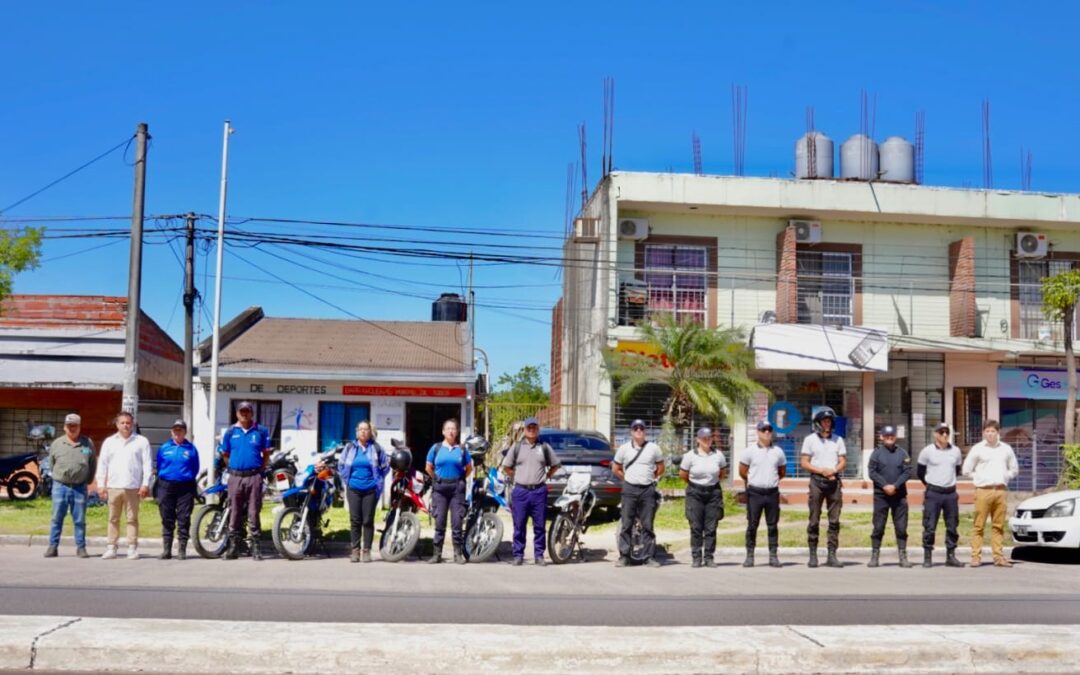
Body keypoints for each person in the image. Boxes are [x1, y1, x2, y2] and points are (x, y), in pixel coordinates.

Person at [501, 416, 561, 566]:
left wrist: (548, 475)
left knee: (539, 526)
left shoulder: (544, 447)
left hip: (539, 491)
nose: (532, 430)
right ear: (525, 430)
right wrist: (516, 476)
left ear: (538, 429)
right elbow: (506, 466)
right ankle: (518, 555)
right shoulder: (517, 447)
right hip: (520, 492)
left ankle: (539, 555)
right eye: (529, 427)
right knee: (519, 525)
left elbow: (556, 464)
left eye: (534, 427)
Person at [219, 401, 272, 560]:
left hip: (254, 477)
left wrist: (259, 471)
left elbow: (266, 454)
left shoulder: (261, 431)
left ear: (252, 413)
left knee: (253, 512)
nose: (244, 414)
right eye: (241, 411)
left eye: (247, 411)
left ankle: (256, 548)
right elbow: (225, 454)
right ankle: (233, 548)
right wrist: (233, 468)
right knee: (234, 512)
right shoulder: (230, 432)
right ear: (237, 414)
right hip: (235, 478)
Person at [95, 411, 152, 560]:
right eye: (122, 423)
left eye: (128, 423)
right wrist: (101, 484)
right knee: (113, 518)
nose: (125, 425)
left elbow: (147, 464)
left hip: (133, 487)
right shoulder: (109, 442)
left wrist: (145, 484)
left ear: (132, 424)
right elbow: (102, 464)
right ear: (117, 424)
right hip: (113, 486)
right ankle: (111, 547)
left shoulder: (141, 441)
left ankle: (132, 548)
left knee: (132, 519)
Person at [963, 420, 1019, 567]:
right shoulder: (977, 449)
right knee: (979, 525)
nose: (990, 434)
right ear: (983, 432)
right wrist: (979, 478)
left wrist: (1005, 476)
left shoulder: (1006, 449)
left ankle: (998, 557)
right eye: (987, 431)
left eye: (993, 431)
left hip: (1000, 491)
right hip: (983, 491)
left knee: (998, 526)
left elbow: (1014, 469)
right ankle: (975, 557)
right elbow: (966, 470)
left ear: (997, 432)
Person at [612, 419, 666, 568]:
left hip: (647, 490)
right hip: (629, 489)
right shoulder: (623, 448)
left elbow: (661, 467)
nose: (639, 431)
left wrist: (653, 477)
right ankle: (624, 556)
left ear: (645, 431)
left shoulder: (654, 448)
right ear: (631, 431)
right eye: (635, 428)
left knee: (647, 524)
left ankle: (649, 557)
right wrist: (627, 478)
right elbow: (615, 468)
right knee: (626, 524)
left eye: (641, 428)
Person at [44, 413, 96, 558]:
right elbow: (51, 463)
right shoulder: (57, 444)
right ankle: (52, 547)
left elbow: (92, 463)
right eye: (69, 426)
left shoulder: (87, 444)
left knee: (79, 520)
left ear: (79, 427)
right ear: (64, 427)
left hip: (80, 487)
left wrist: (88, 481)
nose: (72, 428)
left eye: (75, 426)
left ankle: (81, 547)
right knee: (56, 518)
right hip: (60, 486)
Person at [800, 407, 846, 568]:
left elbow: (843, 461)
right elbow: (804, 462)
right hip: (817, 482)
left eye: (829, 421)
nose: (827, 424)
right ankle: (813, 555)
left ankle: (832, 555)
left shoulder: (838, 440)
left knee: (834, 520)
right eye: (824, 421)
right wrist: (821, 471)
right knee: (814, 519)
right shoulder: (810, 440)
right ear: (818, 423)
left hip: (834, 482)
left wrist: (833, 470)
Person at [339, 420, 389, 563]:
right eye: (360, 429)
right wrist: (348, 481)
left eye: (366, 429)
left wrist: (377, 481)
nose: (363, 431)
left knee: (367, 521)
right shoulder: (350, 447)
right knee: (355, 520)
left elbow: (385, 467)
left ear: (370, 432)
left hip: (370, 490)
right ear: (357, 432)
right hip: (353, 488)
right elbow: (341, 465)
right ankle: (355, 550)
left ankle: (366, 551)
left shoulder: (376, 448)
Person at [740, 420, 786, 568]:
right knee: (752, 525)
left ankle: (773, 556)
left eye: (769, 430)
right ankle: (750, 556)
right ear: (758, 432)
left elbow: (782, 471)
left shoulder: (778, 451)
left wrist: (771, 480)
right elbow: (743, 471)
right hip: (755, 493)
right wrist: (755, 480)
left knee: (772, 525)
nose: (767, 432)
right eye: (763, 430)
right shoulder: (749, 451)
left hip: (772, 493)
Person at [679, 427, 727, 568]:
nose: (707, 440)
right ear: (698, 439)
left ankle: (709, 557)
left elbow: (722, 473)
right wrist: (696, 485)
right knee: (696, 526)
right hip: (695, 493)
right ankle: (696, 557)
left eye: (709, 438)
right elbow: (683, 474)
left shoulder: (718, 455)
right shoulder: (690, 456)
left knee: (711, 527)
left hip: (713, 493)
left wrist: (710, 483)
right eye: (704, 438)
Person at [425, 419, 472, 564]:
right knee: (440, 522)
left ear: (457, 432)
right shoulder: (436, 448)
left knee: (457, 522)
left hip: (457, 489)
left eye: (453, 429)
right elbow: (428, 467)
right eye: (448, 428)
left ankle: (457, 554)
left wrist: (460, 480)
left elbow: (469, 468)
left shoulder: (462, 449)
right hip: (440, 489)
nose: (451, 431)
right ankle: (436, 554)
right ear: (443, 431)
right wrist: (437, 479)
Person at [918, 422, 964, 568]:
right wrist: (930, 484)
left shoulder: (956, 451)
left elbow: (957, 470)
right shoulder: (927, 451)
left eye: (947, 432)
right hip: (933, 493)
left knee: (952, 525)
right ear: (935, 434)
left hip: (950, 493)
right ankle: (927, 556)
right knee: (929, 525)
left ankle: (951, 556)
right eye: (941, 432)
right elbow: (920, 472)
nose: (944, 435)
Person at [867, 425, 913, 568]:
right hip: (881, 496)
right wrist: (885, 485)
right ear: (881, 437)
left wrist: (895, 486)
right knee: (878, 527)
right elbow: (872, 472)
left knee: (901, 527)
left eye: (892, 435)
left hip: (899, 496)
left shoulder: (902, 453)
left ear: (895, 436)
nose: (889, 437)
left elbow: (908, 472)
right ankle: (875, 556)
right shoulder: (876, 454)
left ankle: (902, 556)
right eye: (886, 435)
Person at [154, 419, 200, 560]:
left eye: (180, 430)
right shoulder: (164, 448)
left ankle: (182, 550)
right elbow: (159, 465)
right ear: (171, 432)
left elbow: (195, 468)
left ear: (185, 432)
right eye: (175, 430)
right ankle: (166, 550)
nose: (177, 432)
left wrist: (185, 477)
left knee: (184, 518)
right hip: (166, 485)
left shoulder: (191, 449)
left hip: (185, 487)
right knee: (167, 517)